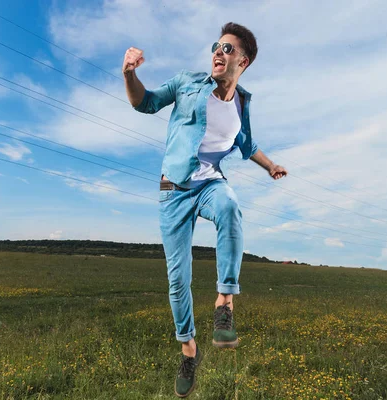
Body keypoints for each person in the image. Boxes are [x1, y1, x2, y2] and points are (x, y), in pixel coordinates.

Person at [123, 22, 287, 398]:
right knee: (178, 280)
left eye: (228, 49)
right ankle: (188, 350)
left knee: (230, 204)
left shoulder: (242, 103)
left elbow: (246, 144)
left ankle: (224, 303)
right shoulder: (186, 83)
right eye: (216, 46)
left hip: (210, 183)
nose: (218, 52)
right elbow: (143, 103)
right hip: (173, 190)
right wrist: (130, 74)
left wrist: (271, 165)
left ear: (243, 62)